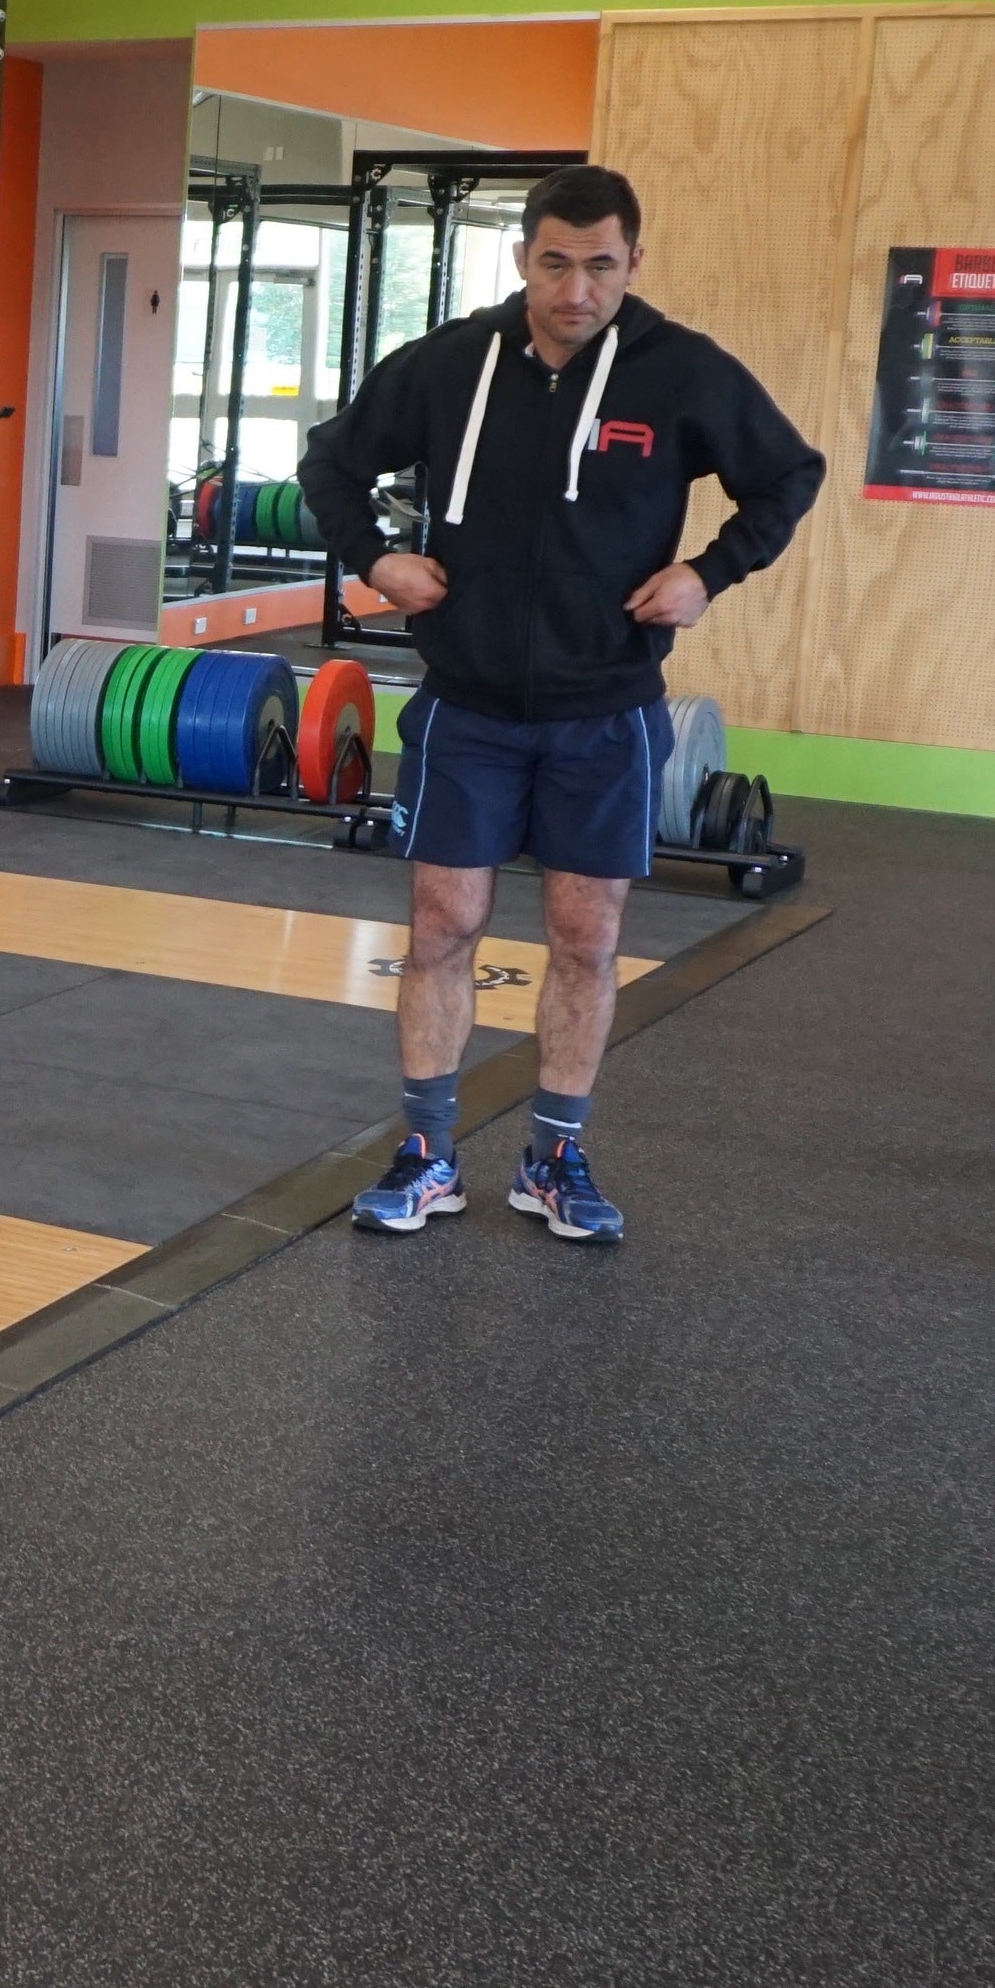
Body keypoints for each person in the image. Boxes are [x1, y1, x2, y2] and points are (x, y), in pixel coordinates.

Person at [301, 163, 822, 1244]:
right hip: (467, 703)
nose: (574, 289)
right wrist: (374, 559)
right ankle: (427, 1153)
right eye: (553, 263)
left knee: (586, 939)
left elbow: (788, 473)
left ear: (634, 262)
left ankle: (553, 1158)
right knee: (443, 926)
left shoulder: (679, 371)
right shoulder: (453, 363)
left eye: (599, 265)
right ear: (521, 258)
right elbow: (330, 462)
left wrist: (709, 571)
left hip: (606, 708)